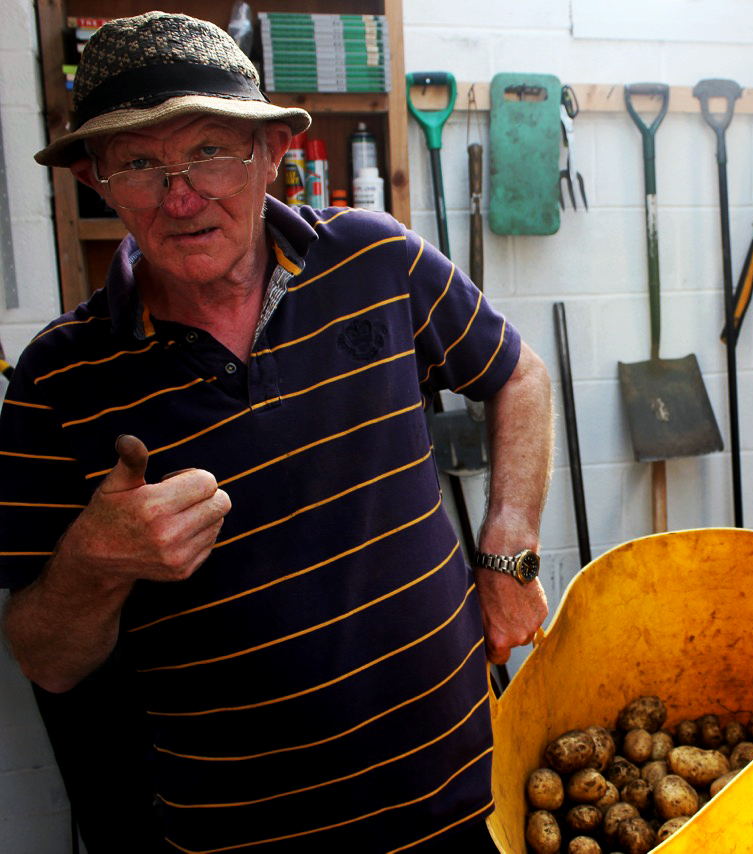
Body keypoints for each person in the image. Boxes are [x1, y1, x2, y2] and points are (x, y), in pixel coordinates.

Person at [0, 11, 552, 852]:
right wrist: (94, 559)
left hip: (467, 801)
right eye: (141, 163)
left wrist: (508, 546)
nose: (181, 195)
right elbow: (48, 659)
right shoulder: (56, 379)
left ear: (271, 153)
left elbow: (517, 375)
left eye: (211, 151)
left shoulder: (378, 261)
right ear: (96, 179)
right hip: (243, 837)